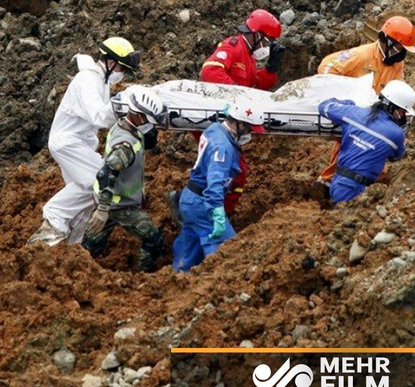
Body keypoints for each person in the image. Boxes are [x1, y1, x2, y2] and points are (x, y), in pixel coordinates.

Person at [167, 10, 285, 220]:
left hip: (225, 121)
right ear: (257, 35)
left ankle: (190, 203)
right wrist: (237, 96)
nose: (268, 46)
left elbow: (256, 86)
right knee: (235, 171)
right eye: (268, 41)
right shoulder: (233, 46)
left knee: (224, 169)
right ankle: (215, 212)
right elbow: (210, 71)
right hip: (214, 119)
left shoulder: (248, 58)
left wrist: (271, 68)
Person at [28, 37, 141, 246]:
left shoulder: (101, 81)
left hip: (80, 144)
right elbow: (99, 116)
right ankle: (54, 216)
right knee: (97, 182)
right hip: (69, 143)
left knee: (86, 197)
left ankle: (71, 246)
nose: (122, 74)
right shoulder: (88, 81)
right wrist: (125, 100)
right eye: (122, 68)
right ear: (109, 62)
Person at [316, 16, 415, 188]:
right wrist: (341, 94)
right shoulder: (362, 56)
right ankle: (328, 182)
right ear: (386, 41)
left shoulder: (397, 65)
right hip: (355, 111)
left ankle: (353, 187)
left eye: (403, 50)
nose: (401, 53)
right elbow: (326, 67)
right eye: (399, 48)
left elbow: (397, 88)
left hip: (375, 114)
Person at [172, 100, 265, 272]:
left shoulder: (215, 129)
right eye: (250, 128)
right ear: (240, 123)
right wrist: (217, 213)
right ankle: (218, 290)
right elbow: (215, 182)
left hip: (190, 199)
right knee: (228, 254)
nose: (251, 133)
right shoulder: (222, 147)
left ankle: (178, 278)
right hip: (203, 204)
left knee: (189, 251)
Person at [82, 87, 167, 272]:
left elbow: (148, 140)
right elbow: (107, 173)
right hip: (118, 205)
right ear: (137, 115)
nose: (149, 125)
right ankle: (144, 277)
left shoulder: (125, 124)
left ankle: (82, 265)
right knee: (153, 238)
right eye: (147, 120)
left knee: (92, 245)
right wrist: (103, 210)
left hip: (113, 201)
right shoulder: (125, 147)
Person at [318, 80, 415, 203]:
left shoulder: (353, 113)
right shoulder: (396, 134)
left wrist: (347, 104)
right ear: (392, 107)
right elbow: (397, 156)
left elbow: (324, 106)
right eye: (403, 111)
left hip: (339, 183)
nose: (402, 116)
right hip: (353, 188)